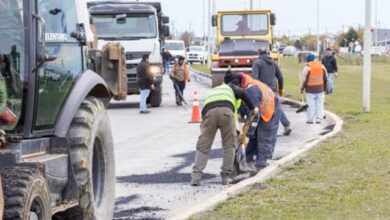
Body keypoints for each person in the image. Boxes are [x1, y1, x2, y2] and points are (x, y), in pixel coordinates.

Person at [191, 72, 257, 186]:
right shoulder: (231, 87)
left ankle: (195, 178)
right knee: (229, 145)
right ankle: (225, 176)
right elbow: (243, 93)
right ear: (235, 82)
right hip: (226, 112)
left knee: (203, 146)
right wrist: (253, 108)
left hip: (208, 113)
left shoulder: (213, 90)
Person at [226, 72, 281, 174]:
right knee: (252, 137)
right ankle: (248, 162)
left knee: (264, 137)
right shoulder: (243, 87)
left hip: (270, 109)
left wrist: (247, 135)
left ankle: (262, 165)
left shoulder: (251, 90)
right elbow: (245, 105)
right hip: (258, 108)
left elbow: (255, 115)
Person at [252, 47, 292, 136]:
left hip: (262, 91)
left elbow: (255, 79)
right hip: (273, 90)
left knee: (260, 109)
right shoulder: (273, 63)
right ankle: (287, 125)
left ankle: (257, 130)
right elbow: (280, 77)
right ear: (267, 53)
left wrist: (255, 90)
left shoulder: (257, 63)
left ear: (259, 53)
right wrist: (281, 89)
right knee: (277, 108)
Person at [300, 53, 328, 124]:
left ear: (308, 60)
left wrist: (301, 88)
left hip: (310, 89)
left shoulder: (307, 67)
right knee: (320, 104)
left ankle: (310, 119)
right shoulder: (321, 66)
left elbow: (303, 80)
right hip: (320, 88)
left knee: (310, 105)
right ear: (314, 59)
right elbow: (326, 77)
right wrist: (325, 87)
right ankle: (319, 119)